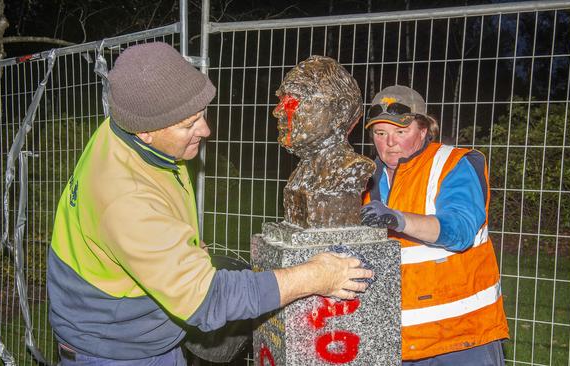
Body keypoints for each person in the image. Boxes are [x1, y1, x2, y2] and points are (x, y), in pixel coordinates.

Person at [47, 42, 373, 365]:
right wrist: (316, 276)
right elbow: (209, 300)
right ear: (145, 132)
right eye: (189, 124)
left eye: (202, 114)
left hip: (137, 335)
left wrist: (176, 245)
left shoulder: (127, 129)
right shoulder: (125, 198)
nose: (205, 130)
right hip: (117, 351)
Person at [360, 85, 509, 365]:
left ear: (425, 129)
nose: (389, 142)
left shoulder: (453, 165)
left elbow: (461, 229)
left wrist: (399, 219)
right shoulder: (364, 180)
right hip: (397, 341)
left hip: (461, 339)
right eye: (380, 133)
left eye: (400, 132)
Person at [272, 55, 375, 228]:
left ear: (340, 109)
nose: (279, 110)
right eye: (282, 99)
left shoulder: (350, 170)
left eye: (295, 99)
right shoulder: (301, 176)